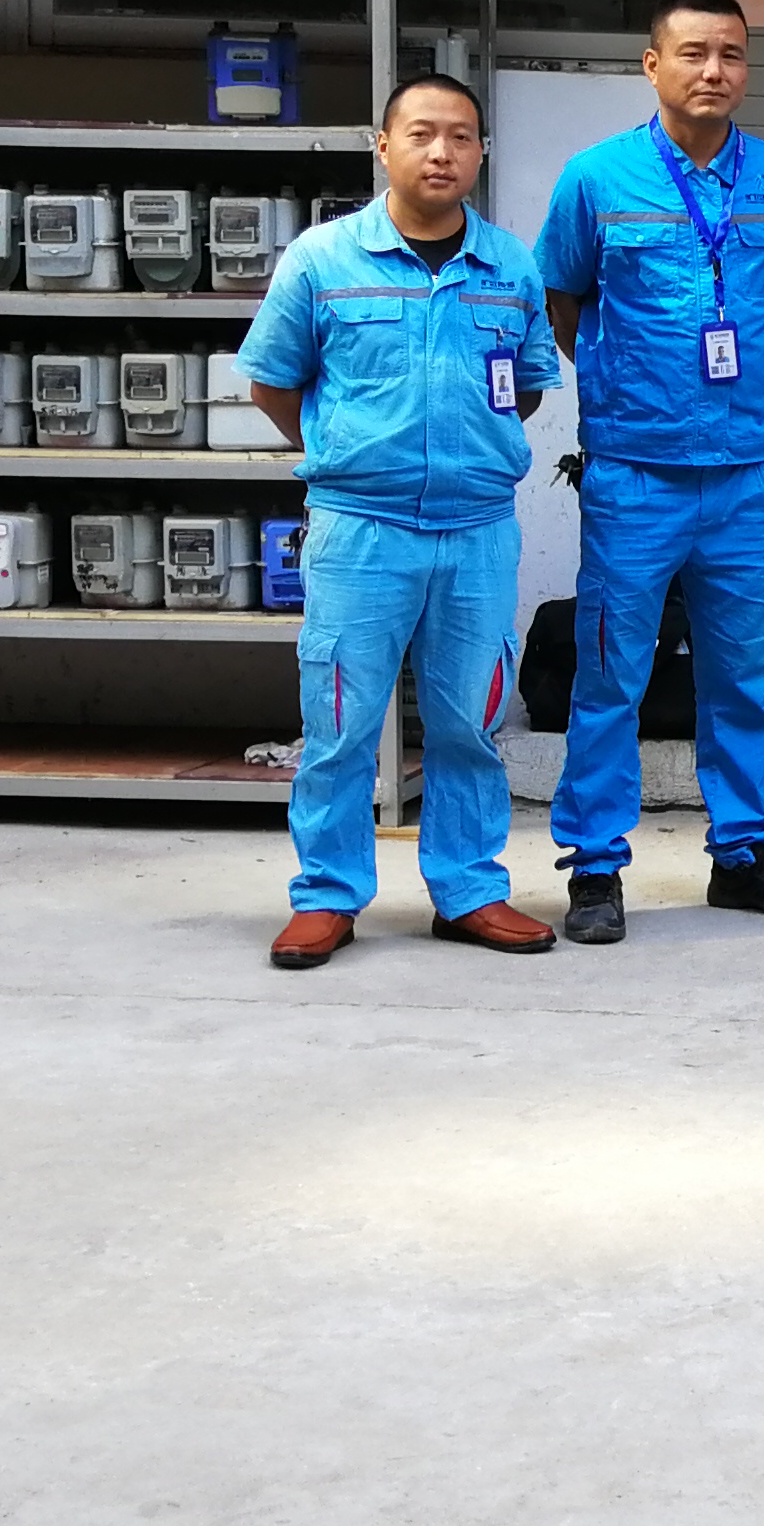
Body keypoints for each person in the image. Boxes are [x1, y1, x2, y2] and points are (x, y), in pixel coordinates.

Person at [532, 0, 764, 940]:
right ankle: (595, 868)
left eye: (731, 54)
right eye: (694, 53)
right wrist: (625, 383)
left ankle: (741, 856)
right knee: (610, 676)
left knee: (742, 678)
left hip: (745, 474)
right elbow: (563, 300)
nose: (714, 71)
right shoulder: (596, 178)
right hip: (636, 473)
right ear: (652, 64)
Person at [239, 73, 563, 970]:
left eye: (460, 136)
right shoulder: (323, 260)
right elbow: (272, 382)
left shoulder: (510, 266)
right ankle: (327, 896)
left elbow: (528, 386)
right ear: (383, 147)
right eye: (421, 134)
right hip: (361, 529)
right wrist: (349, 450)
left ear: (481, 153)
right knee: (340, 723)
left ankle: (469, 890)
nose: (441, 152)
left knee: (471, 721)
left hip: (477, 530)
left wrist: (461, 454)